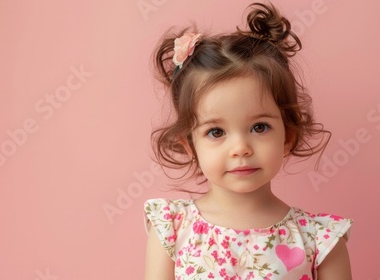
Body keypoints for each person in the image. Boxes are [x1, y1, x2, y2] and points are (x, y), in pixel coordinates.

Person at [144, 2, 353, 279]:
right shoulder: (172, 228)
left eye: (259, 127)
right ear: (190, 146)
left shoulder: (320, 240)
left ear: (287, 137)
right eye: (216, 132)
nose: (241, 148)